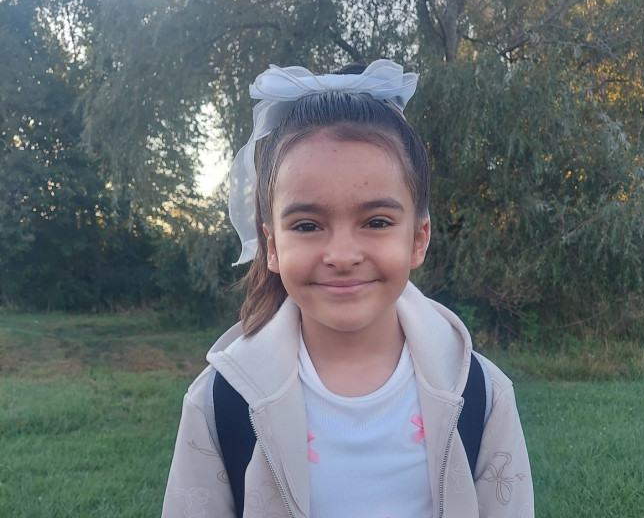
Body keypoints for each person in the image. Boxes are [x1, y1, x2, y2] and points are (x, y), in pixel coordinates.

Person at [161, 60, 534, 518]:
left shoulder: (481, 393)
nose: (341, 255)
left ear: (419, 239)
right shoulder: (220, 403)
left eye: (376, 222)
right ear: (271, 246)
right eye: (307, 225)